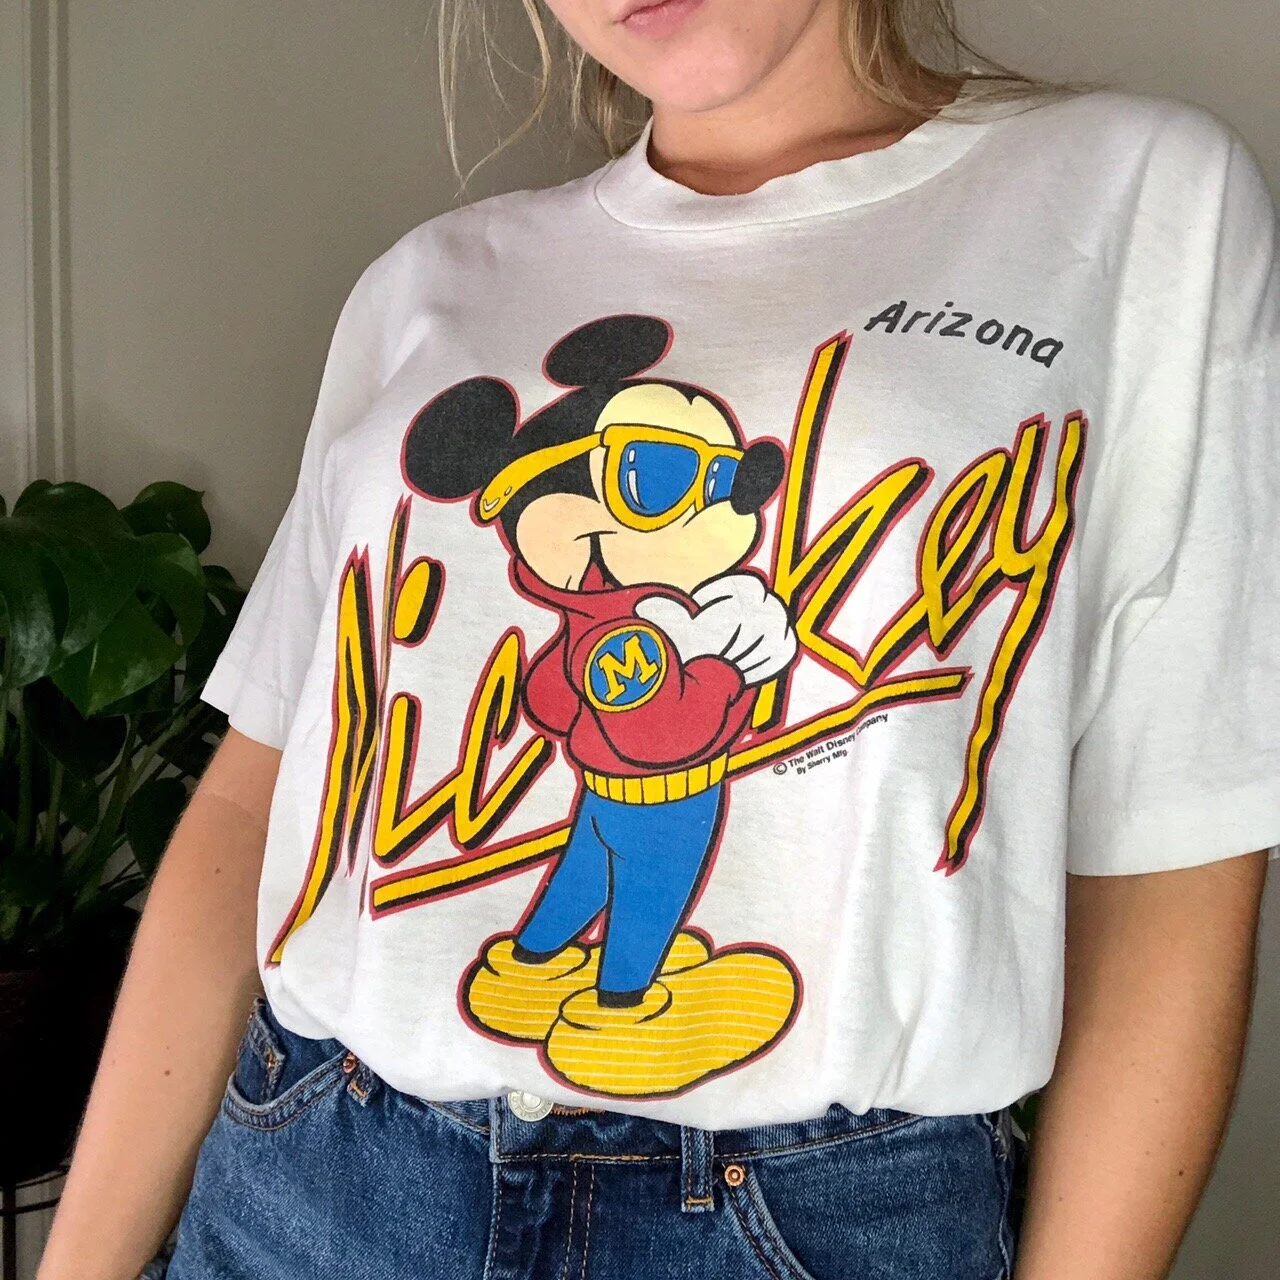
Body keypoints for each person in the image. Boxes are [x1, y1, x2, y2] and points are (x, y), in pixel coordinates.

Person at [39, 1, 1278, 1277]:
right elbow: (255, 802)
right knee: (591, 879)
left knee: (636, 888)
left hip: (801, 1219)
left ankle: (620, 988)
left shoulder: (1131, 195)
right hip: (317, 1174)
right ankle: (558, 964)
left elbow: (1168, 865)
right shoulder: (425, 282)